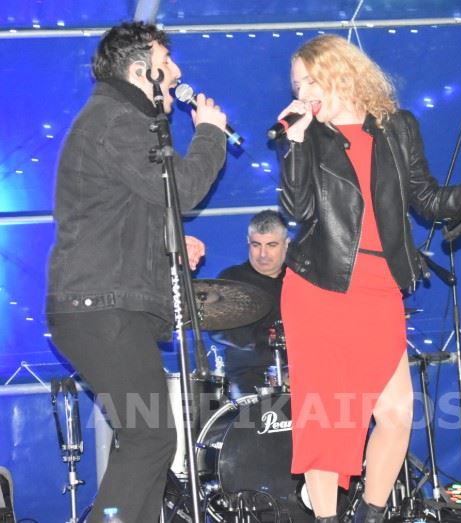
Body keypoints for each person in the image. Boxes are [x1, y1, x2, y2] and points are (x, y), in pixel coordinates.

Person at [276, 34, 461, 523]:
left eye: (311, 81)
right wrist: (293, 145)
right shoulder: (307, 137)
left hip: (379, 287)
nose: (303, 93)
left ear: (341, 73)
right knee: (327, 421)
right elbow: (296, 209)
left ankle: (371, 514)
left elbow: (429, 200)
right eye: (297, 85)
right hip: (320, 288)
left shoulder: (397, 127)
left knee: (398, 413)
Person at [45, 21, 227, 523]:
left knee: (150, 438)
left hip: (103, 304)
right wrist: (211, 134)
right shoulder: (116, 120)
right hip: (101, 306)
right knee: (150, 436)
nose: (177, 73)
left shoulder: (118, 120)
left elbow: (123, 206)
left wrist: (172, 242)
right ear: (139, 70)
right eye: (167, 64)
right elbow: (182, 188)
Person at [217, 209, 289, 397]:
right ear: (248, 242)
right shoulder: (232, 280)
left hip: (299, 372)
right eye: (256, 245)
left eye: (271, 245)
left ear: (286, 244)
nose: (263, 254)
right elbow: (225, 332)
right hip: (249, 377)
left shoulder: (300, 280)